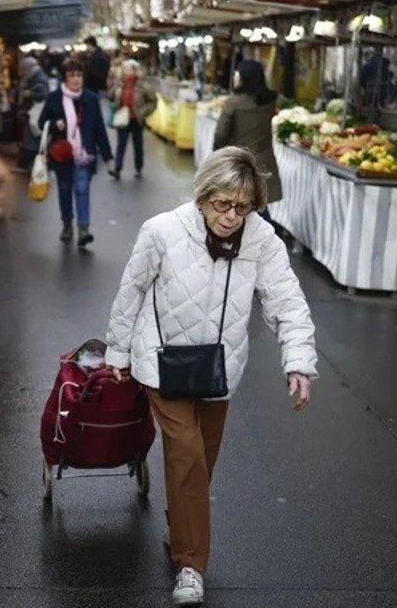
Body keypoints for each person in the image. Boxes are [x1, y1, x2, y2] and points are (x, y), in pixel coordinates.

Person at [103, 146, 317, 607]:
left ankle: (181, 525)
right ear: (202, 196)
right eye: (222, 204)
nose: (231, 216)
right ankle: (191, 567)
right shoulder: (161, 231)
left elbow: (286, 299)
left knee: (201, 463)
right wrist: (117, 351)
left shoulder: (261, 239)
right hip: (162, 363)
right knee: (187, 454)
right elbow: (131, 290)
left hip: (220, 370)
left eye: (243, 207)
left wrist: (298, 360)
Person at [38, 58, 112, 246]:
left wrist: (108, 156)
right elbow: (41, 123)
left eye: (79, 75)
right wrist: (54, 124)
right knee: (64, 190)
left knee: (82, 189)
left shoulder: (91, 99)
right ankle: (67, 224)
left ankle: (83, 229)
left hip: (83, 154)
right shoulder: (54, 98)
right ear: (65, 78)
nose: (76, 79)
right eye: (72, 75)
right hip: (61, 155)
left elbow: (99, 128)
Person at [212, 60, 283, 220]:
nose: (234, 77)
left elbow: (220, 135)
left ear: (245, 77)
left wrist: (218, 156)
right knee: (258, 205)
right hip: (264, 161)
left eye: (237, 74)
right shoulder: (269, 102)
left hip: (239, 162)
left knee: (238, 206)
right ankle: (266, 232)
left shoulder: (233, 103)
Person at [107, 59, 156, 180]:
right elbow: (110, 96)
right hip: (122, 118)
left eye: (128, 69)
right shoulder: (120, 83)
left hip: (136, 119)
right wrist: (115, 88)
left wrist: (143, 112)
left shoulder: (143, 84)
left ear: (135, 70)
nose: (125, 71)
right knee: (121, 144)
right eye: (124, 69)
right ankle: (117, 169)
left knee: (137, 145)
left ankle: (138, 168)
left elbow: (153, 102)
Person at [17, 55, 50, 172]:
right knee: (32, 138)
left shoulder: (38, 77)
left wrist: (29, 94)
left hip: (36, 113)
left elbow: (44, 94)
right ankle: (29, 164)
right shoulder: (36, 75)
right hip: (34, 112)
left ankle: (31, 165)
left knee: (33, 139)